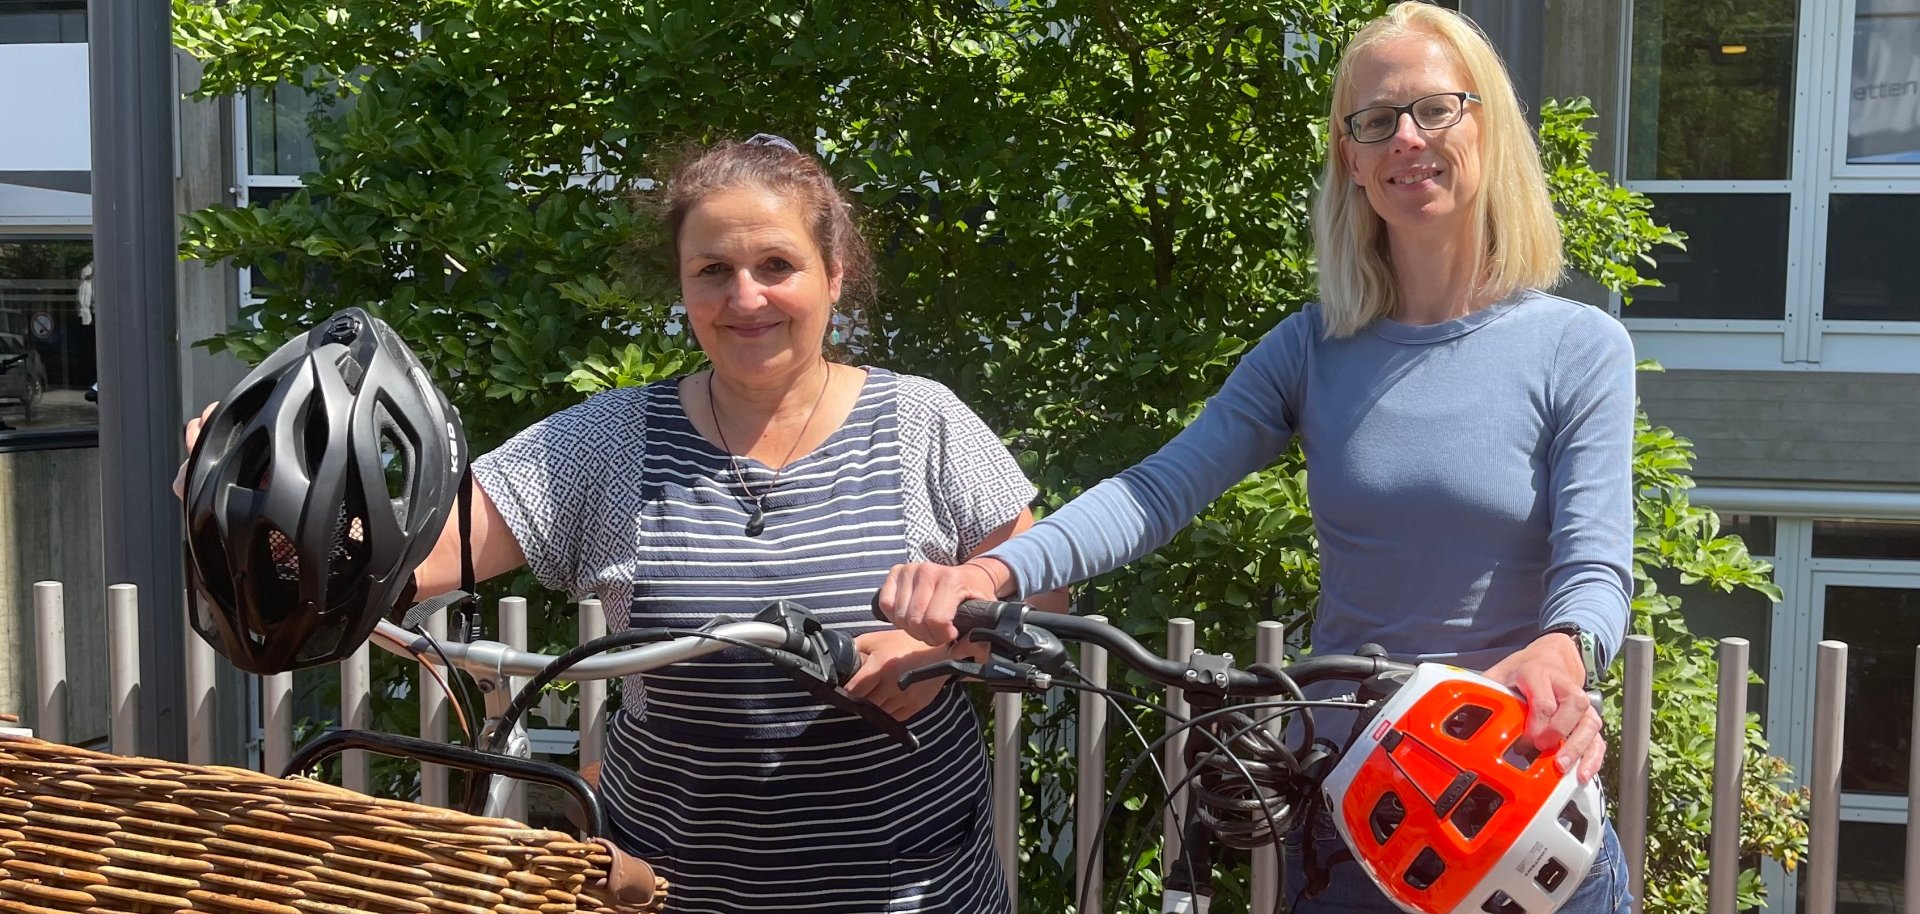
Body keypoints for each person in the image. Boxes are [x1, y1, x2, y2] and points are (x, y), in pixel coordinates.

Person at [878, 5, 1634, 914]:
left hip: (1522, 811)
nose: (1406, 139)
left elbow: (1595, 563)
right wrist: (993, 572)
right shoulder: (1312, 348)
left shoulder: (1578, 347)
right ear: (1350, 158)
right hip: (1360, 810)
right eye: (1375, 120)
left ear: (1488, 126)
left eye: (1435, 109)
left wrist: (1563, 647)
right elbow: (1159, 489)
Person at [183, 134, 1033, 913]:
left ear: (834, 273)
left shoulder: (922, 423)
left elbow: (1038, 585)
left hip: (917, 890)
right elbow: (401, 562)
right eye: (713, 270)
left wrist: (944, 644)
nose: (746, 297)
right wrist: (260, 501)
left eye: (778, 264)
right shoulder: (609, 441)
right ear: (682, 284)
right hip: (670, 890)